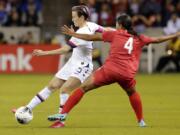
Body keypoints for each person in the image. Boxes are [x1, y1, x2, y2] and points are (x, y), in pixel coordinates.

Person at [47, 13, 180, 128]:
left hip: (109, 71)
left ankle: (63, 115)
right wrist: (176, 34)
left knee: (83, 88)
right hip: (127, 74)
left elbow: (92, 37)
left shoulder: (115, 34)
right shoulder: (140, 38)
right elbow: (157, 40)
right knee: (132, 92)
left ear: (120, 25)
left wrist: (73, 34)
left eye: (117, 23)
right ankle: (141, 121)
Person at [13, 5, 105, 128]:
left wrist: (44, 53)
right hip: (73, 62)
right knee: (52, 86)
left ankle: (61, 121)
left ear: (82, 17)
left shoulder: (82, 33)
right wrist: (120, 33)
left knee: (64, 89)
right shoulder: (92, 25)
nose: (72, 20)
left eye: (74, 17)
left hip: (83, 66)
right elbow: (106, 30)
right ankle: (27, 109)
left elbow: (65, 49)